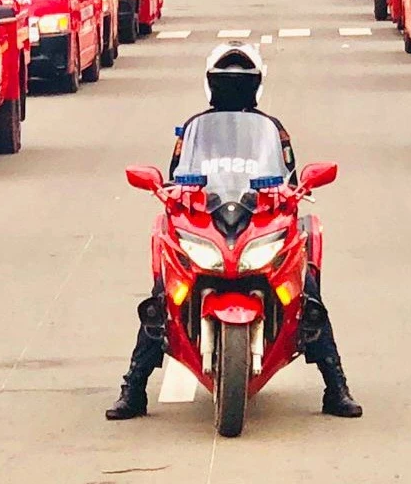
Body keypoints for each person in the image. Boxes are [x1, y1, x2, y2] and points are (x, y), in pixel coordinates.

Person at [105, 42, 363, 421]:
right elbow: (176, 178)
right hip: (208, 219)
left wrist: (295, 190)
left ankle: (335, 387)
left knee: (308, 298)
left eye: (241, 80)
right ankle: (134, 390)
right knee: (161, 301)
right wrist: (168, 190)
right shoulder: (193, 131)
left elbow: (293, 179)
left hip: (257, 219)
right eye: (226, 80)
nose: (233, 87)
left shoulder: (274, 131)